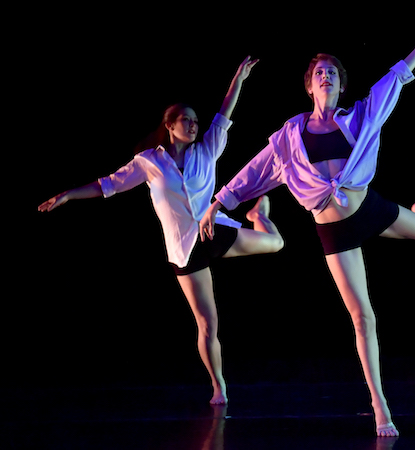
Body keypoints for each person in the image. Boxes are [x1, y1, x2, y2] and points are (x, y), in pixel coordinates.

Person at [199, 30, 415, 436]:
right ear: (309, 85)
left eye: (333, 73)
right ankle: (379, 403)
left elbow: (394, 80)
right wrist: (218, 204)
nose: (326, 77)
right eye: (320, 72)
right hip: (335, 232)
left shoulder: (357, 117)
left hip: (370, 210)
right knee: (362, 318)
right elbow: (255, 171)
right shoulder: (289, 136)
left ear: (340, 84)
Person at [38, 56, 284, 405]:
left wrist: (239, 80)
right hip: (184, 247)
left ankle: (260, 212)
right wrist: (67, 195)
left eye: (196, 121)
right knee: (207, 322)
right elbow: (109, 184)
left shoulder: (208, 149)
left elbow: (225, 114)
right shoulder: (150, 162)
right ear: (169, 126)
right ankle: (219, 386)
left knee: (276, 242)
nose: (194, 125)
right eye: (186, 120)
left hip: (214, 231)